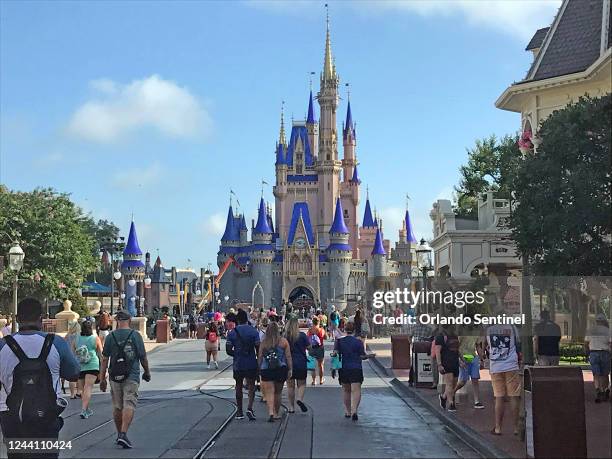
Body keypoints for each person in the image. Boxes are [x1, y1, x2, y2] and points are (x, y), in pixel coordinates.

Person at [0, 298, 80, 459]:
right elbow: (74, 373)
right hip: (47, 415)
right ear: (41, 318)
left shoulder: (2, 346)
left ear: (17, 318)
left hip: (12, 416)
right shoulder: (56, 343)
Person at [99, 310, 151, 449]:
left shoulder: (111, 337)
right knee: (129, 402)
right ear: (129, 320)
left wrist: (102, 378)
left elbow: (105, 359)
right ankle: (123, 433)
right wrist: (147, 372)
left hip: (114, 375)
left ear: (117, 320)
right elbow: (143, 357)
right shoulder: (135, 335)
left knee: (117, 405)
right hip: (131, 374)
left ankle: (119, 435)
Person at [486, 323, 521, 435]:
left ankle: (498, 428)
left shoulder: (489, 330)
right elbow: (518, 344)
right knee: (514, 396)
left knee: (499, 397)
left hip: (496, 366)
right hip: (511, 365)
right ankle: (516, 428)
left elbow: (488, 346)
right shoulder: (512, 328)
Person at [226, 309, 260, 421]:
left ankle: (239, 411)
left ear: (238, 320)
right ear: (247, 319)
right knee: (251, 386)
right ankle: (250, 407)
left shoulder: (232, 333)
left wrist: (237, 354)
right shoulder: (254, 331)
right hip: (251, 362)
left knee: (238, 386)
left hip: (238, 363)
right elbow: (258, 348)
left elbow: (228, 350)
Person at [258, 322, 292, 422]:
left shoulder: (264, 342)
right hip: (280, 369)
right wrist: (290, 368)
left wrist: (258, 368)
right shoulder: (283, 341)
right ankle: (276, 413)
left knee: (269, 393)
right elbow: (288, 356)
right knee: (278, 393)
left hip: (266, 369)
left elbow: (260, 356)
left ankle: (271, 412)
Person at [336, 320, 368, 421]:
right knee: (356, 390)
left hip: (344, 368)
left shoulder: (339, 341)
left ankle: (347, 411)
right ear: (354, 330)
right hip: (356, 367)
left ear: (345, 330)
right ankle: (355, 410)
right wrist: (369, 356)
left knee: (346, 390)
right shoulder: (358, 342)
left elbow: (335, 354)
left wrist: (334, 368)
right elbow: (362, 356)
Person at [74, 320, 103, 419]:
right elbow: (101, 354)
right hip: (92, 365)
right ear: (91, 328)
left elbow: (72, 352)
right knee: (88, 387)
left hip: (80, 365)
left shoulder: (77, 338)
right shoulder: (95, 338)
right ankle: (84, 409)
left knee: (82, 389)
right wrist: (104, 369)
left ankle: (86, 409)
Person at [454, 326, 485, 409]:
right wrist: (459, 360)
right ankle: (451, 393)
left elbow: (477, 346)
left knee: (475, 379)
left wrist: (481, 358)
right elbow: (456, 347)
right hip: (463, 357)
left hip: (472, 357)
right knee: (462, 381)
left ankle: (477, 401)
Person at [284, 317, 310, 413]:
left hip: (289, 363)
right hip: (301, 362)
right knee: (302, 384)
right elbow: (309, 347)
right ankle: (299, 399)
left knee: (290, 386)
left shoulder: (285, 336)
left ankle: (291, 407)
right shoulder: (302, 335)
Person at [585, 313, 611, 403]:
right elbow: (611, 344)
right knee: (605, 374)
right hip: (605, 353)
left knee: (596, 374)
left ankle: (597, 389)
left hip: (593, 353)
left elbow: (586, 343)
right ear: (604, 321)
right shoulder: (608, 331)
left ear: (596, 321)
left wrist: (586, 353)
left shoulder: (591, 330)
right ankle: (604, 390)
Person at [435, 326, 460, 412]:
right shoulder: (440, 337)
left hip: (455, 362)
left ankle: (444, 397)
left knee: (454, 383)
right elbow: (437, 351)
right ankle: (451, 403)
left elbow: (457, 349)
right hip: (446, 362)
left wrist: (462, 360)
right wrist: (439, 364)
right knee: (449, 383)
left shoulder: (455, 336)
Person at [63, 320, 82, 399]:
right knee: (79, 376)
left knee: (72, 377)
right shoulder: (79, 336)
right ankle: (79, 392)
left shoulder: (67, 336)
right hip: (77, 357)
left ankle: (72, 394)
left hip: (69, 357)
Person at [307, 317, 326, 385]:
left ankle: (314, 381)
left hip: (312, 348)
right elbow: (326, 337)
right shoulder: (321, 330)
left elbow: (307, 338)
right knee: (320, 365)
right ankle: (321, 380)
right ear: (319, 322)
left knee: (312, 365)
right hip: (320, 348)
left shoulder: (310, 330)